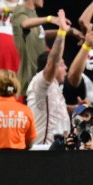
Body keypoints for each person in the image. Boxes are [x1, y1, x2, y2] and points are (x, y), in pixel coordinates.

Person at [12, 0, 73, 95]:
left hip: (39, 80)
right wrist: (50, 19)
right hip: (29, 84)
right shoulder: (20, 11)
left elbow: (40, 34)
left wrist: (67, 31)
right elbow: (25, 24)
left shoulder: (32, 14)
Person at [26, 9, 71, 144]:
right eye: (62, 65)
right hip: (43, 152)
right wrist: (61, 33)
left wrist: (73, 109)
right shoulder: (40, 81)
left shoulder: (54, 86)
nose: (65, 68)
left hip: (57, 151)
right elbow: (53, 62)